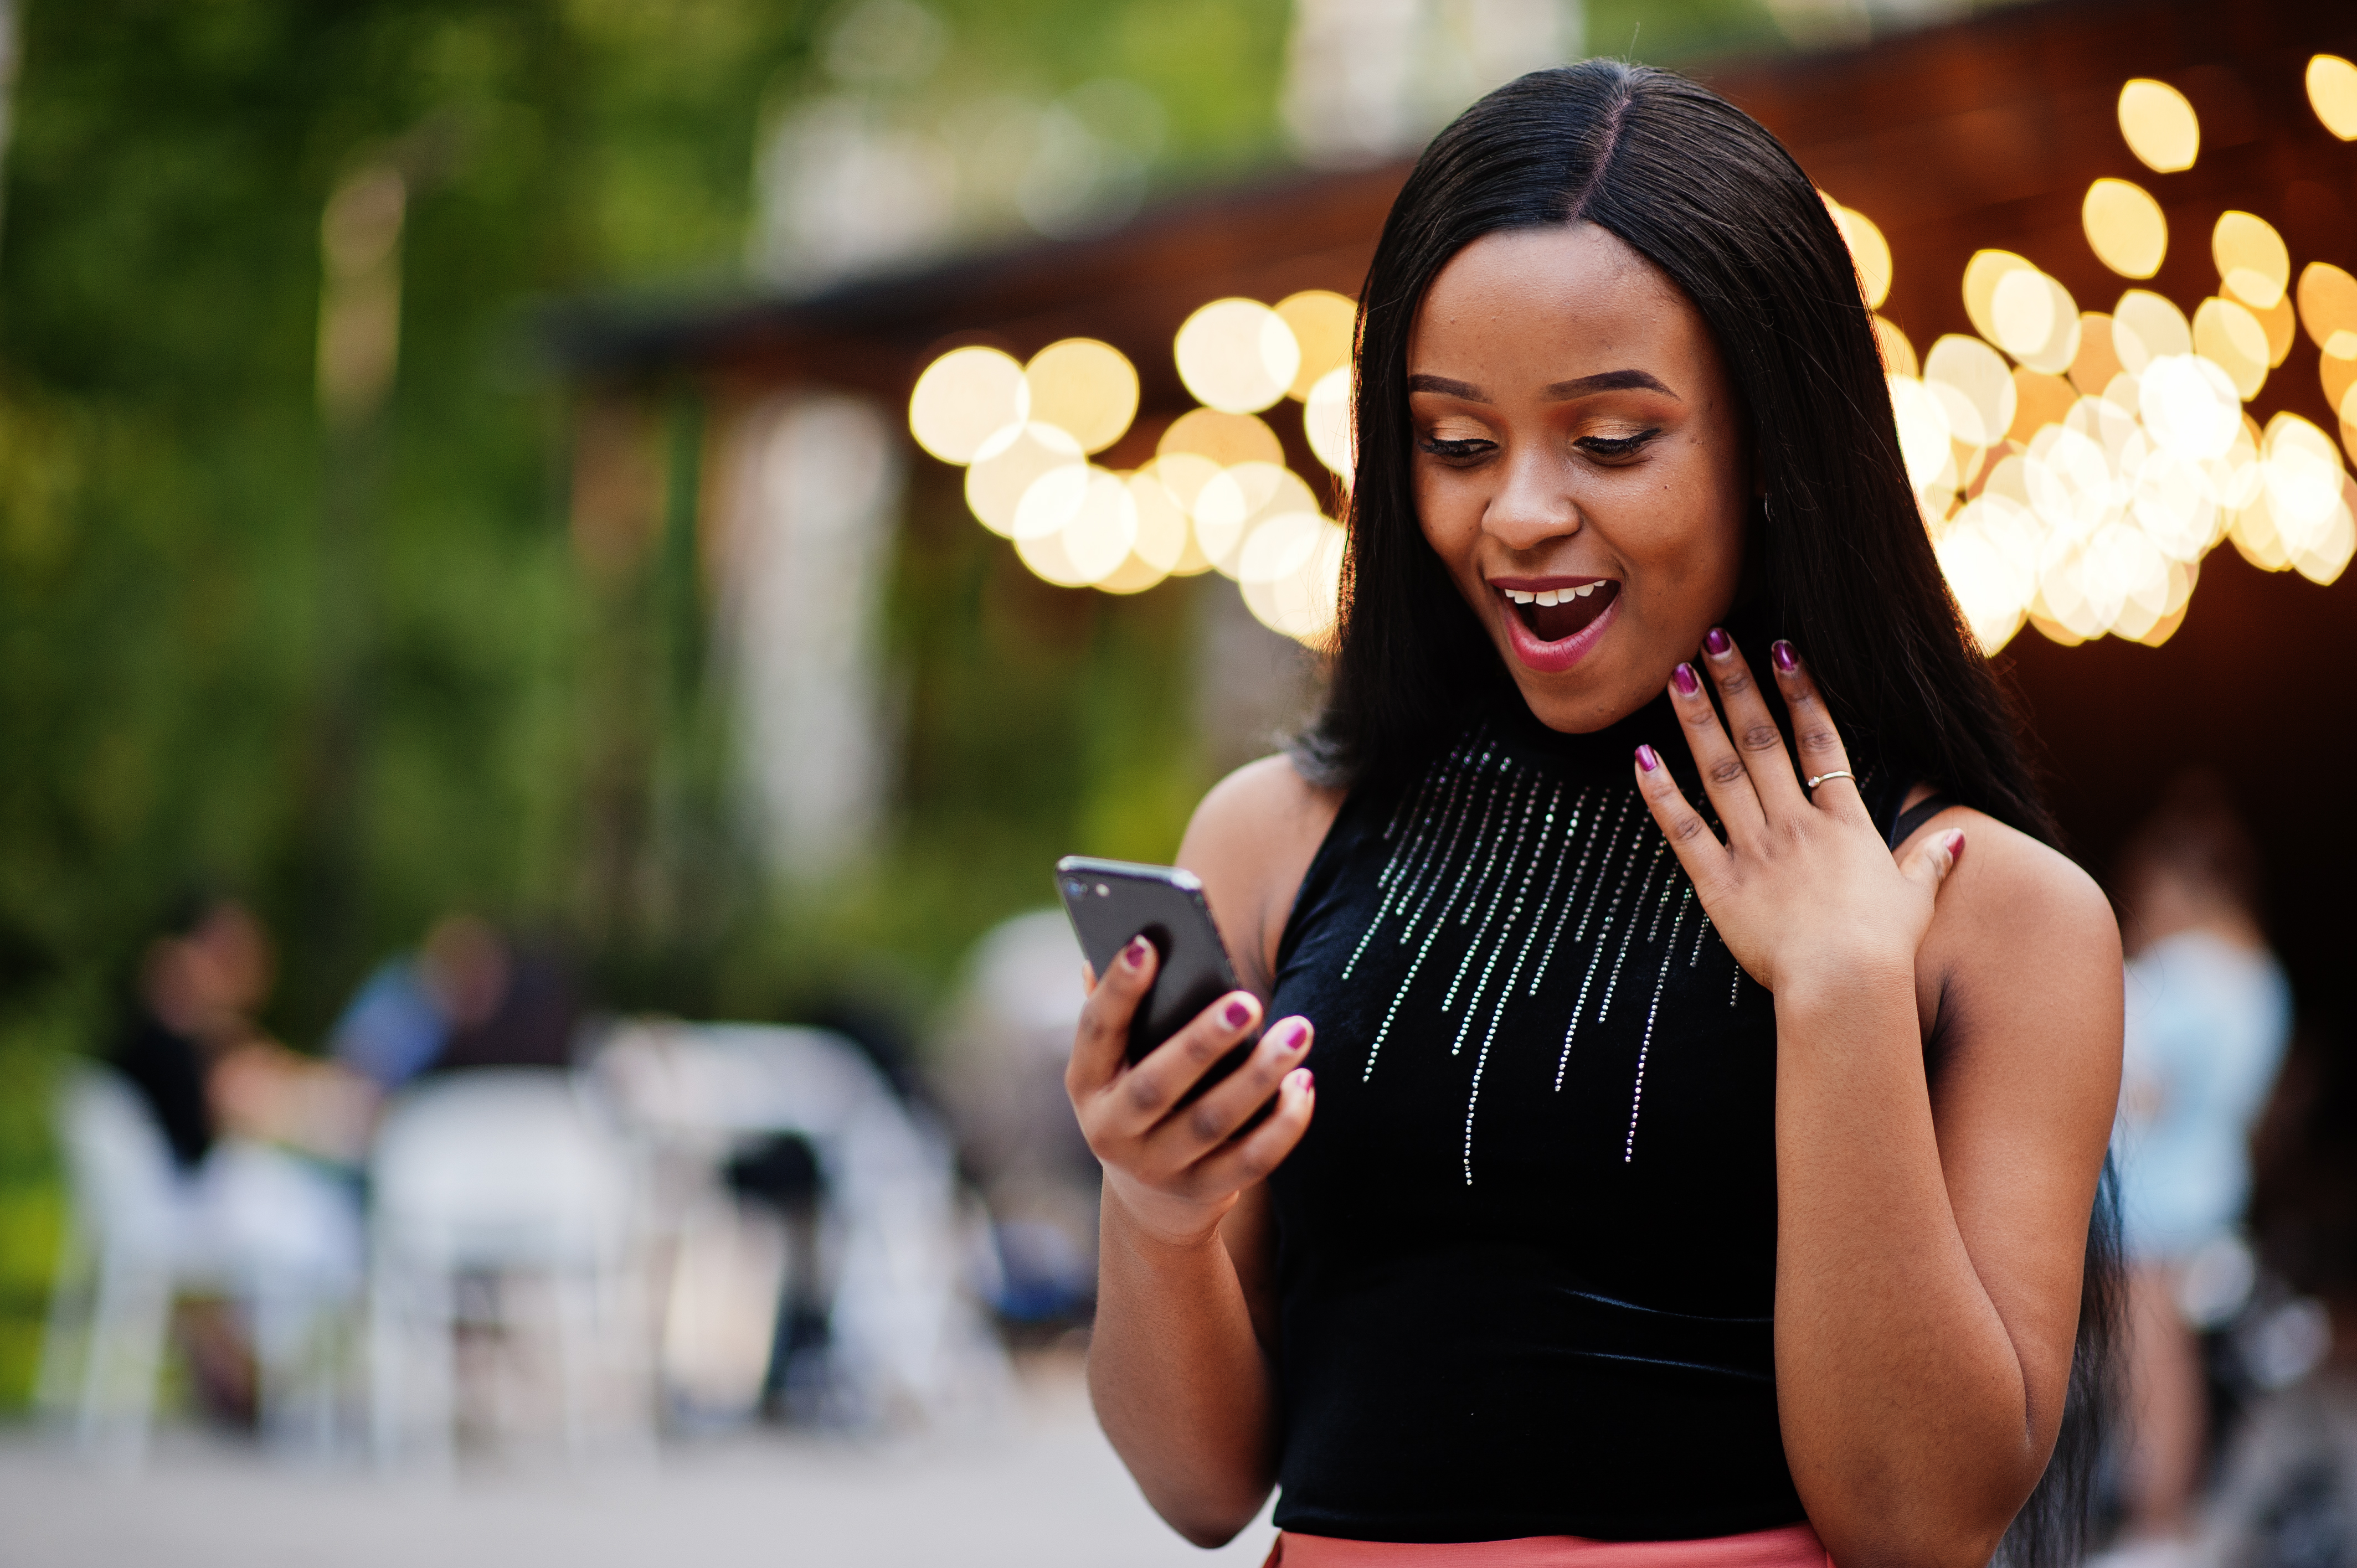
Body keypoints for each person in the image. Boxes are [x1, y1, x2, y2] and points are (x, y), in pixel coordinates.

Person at [1064, 61, 2124, 1568]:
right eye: (1457, 443)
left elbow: (1919, 1519)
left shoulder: (1993, 905)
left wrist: (1840, 990)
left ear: (1779, 449)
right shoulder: (1270, 839)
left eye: (1612, 441)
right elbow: (1201, 1488)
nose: (1519, 515)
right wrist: (1155, 1207)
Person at [2106, 775, 2292, 1555]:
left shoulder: (2179, 975)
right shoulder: (2260, 978)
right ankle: (2172, 1519)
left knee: (2153, 1372)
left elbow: (2138, 1093)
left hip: (2154, 1202)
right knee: (2180, 1365)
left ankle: (2157, 1525)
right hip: (2215, 1189)